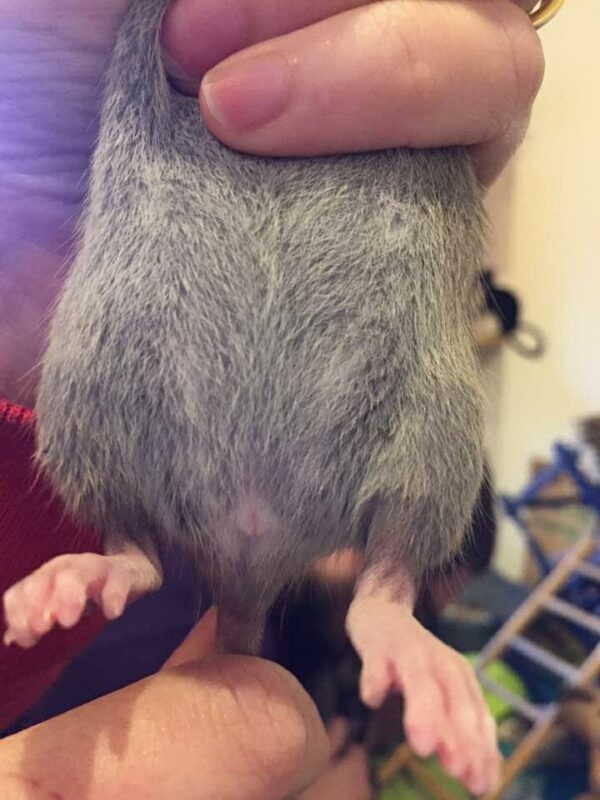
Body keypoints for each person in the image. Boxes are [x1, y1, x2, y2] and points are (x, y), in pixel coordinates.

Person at [0, 1, 544, 797]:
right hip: (165, 289)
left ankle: (386, 589)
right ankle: (133, 551)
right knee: (104, 327)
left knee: (426, 369)